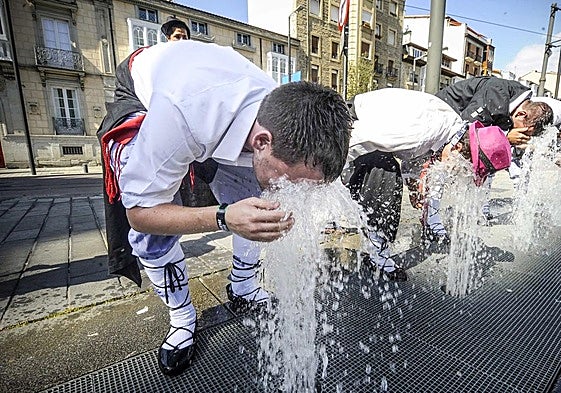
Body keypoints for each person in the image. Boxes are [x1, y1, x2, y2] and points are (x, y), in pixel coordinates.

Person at [97, 40, 352, 377]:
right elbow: (140, 215)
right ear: (262, 142)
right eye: (291, 181)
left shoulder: (285, 120)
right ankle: (182, 318)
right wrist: (222, 217)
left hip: (214, 100)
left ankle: (243, 286)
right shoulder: (182, 113)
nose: (293, 193)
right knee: (155, 231)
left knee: (259, 203)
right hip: (146, 89)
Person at [342, 88, 512, 281]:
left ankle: (376, 248)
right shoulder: (423, 131)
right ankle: (376, 256)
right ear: (457, 149)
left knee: (387, 169)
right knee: (385, 174)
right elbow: (355, 141)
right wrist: (327, 177)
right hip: (350, 123)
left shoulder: (449, 130)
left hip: (372, 132)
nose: (454, 176)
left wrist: (413, 184)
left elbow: (411, 154)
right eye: (459, 171)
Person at [436, 76, 553, 221]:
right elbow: (466, 133)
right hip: (439, 119)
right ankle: (432, 222)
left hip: (453, 128)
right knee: (438, 169)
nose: (520, 134)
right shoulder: (496, 94)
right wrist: (506, 139)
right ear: (522, 114)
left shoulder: (514, 104)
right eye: (523, 131)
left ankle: (464, 215)